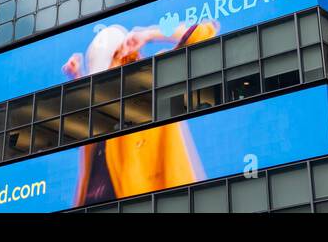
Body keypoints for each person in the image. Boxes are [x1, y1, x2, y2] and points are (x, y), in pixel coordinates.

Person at [62, 17, 218, 206]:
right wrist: (78, 78)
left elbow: (202, 37)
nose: (101, 85)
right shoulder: (101, 111)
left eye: (105, 72)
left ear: (122, 57)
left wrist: (150, 34)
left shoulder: (152, 84)